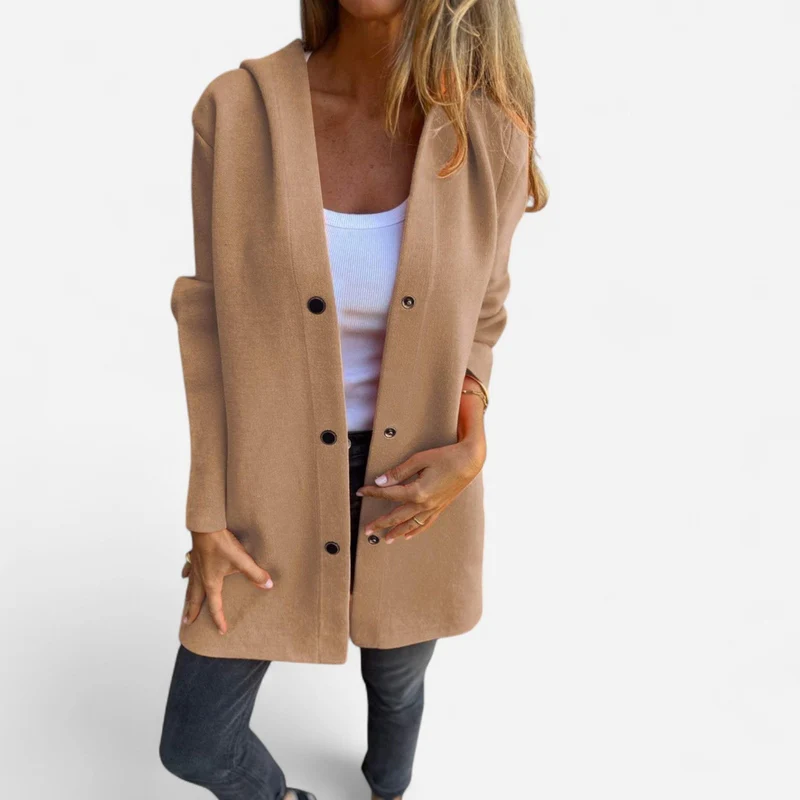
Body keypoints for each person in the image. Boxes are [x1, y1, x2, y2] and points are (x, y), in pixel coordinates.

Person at [160, 1, 547, 798]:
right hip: (268, 480)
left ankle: (386, 786)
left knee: (398, 682)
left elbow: (485, 312)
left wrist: (471, 442)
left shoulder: (490, 137)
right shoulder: (235, 113)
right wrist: (207, 511)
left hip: (414, 487)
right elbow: (209, 326)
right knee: (195, 743)